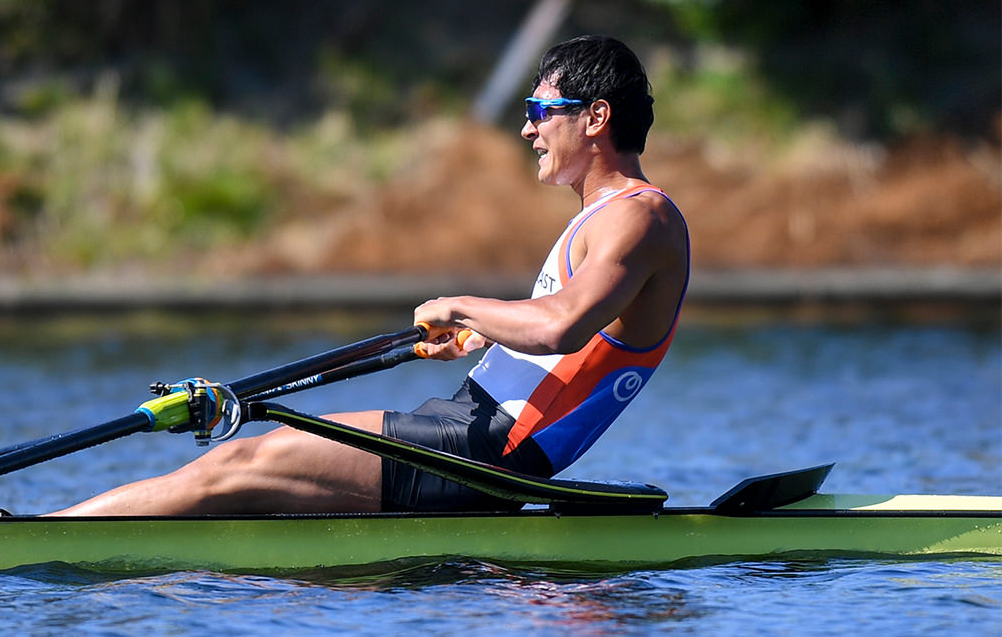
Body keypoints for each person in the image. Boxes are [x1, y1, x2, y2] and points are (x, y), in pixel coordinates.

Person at [41, 34, 689, 516]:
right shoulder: (607, 219)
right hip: (464, 430)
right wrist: (482, 338)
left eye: (540, 110)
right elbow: (564, 341)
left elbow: (561, 329)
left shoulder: (642, 216)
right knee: (248, 481)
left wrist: (460, 306)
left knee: (241, 462)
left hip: (488, 456)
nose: (526, 128)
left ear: (596, 117)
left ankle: (30, 535)